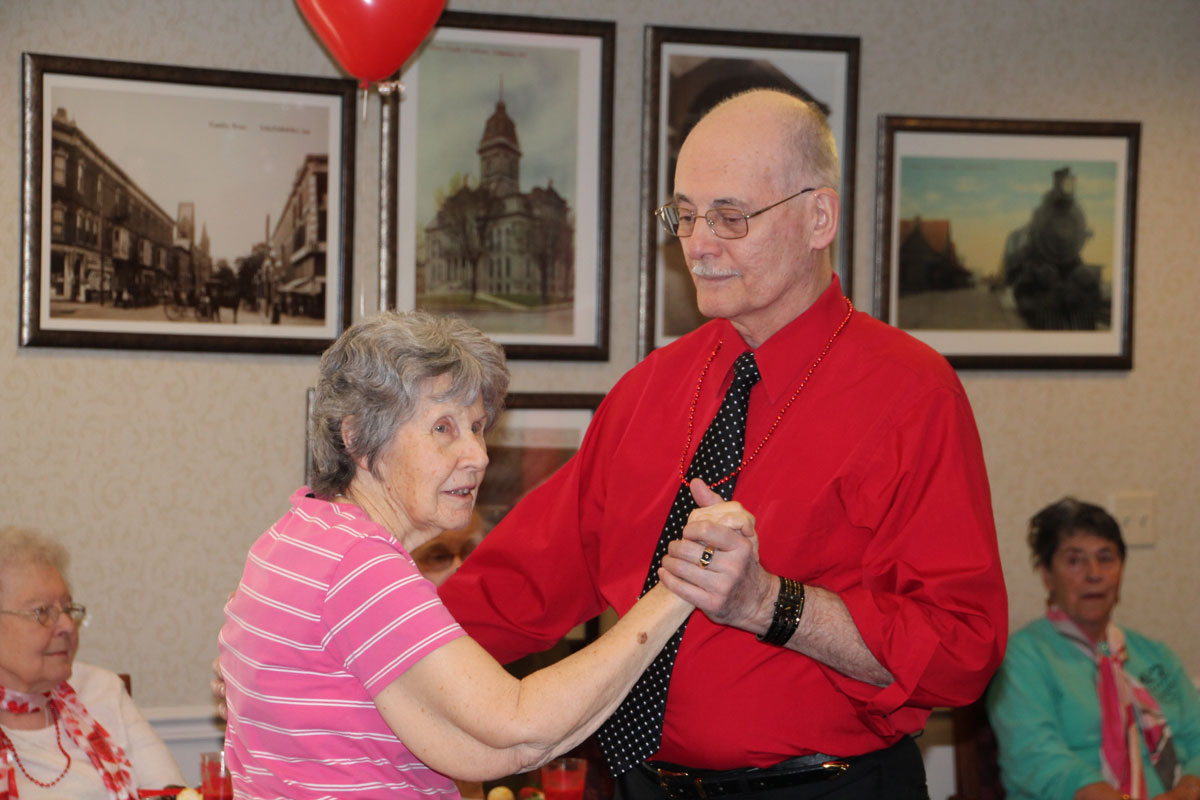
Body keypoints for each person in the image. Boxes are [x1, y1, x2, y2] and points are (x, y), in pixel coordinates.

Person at [437, 88, 1008, 799]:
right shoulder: (648, 390)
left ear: (818, 217)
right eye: (684, 215)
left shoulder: (912, 394)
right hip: (641, 784)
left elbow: (962, 653)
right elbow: (519, 584)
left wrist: (774, 604)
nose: (698, 245)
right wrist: (363, 648)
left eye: (731, 217)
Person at [218, 311, 694, 799]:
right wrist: (678, 588)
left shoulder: (294, 535)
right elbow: (520, 726)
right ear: (358, 437)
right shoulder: (360, 565)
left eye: (477, 426)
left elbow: (483, 752)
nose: (478, 455)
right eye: (443, 428)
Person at [987, 498, 1200, 800]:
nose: (1094, 573)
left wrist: (1189, 789)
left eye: (1106, 558)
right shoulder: (1022, 657)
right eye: (1075, 560)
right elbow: (1034, 755)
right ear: (1047, 575)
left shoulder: (1155, 655)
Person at [0, 526, 185, 798]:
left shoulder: (102, 690)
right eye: (42, 611)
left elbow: (171, 793)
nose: (66, 626)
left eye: (67, 609)